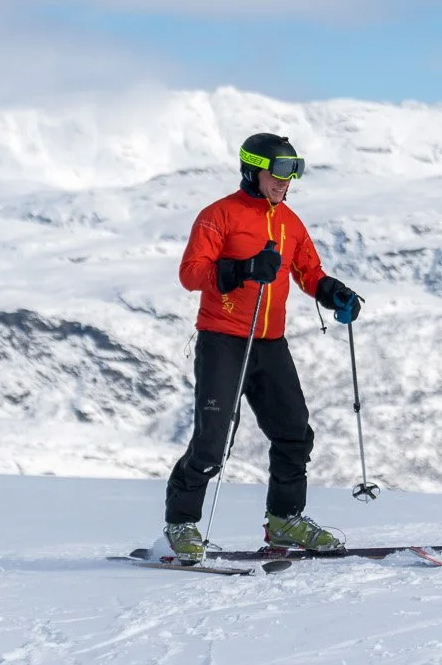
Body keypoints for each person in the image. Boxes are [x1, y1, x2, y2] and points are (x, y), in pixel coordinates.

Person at [153, 132, 365, 564]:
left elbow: (308, 271)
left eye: (295, 171)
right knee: (212, 443)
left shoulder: (290, 222)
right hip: (223, 341)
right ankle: (181, 524)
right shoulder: (219, 216)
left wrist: (333, 292)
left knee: (294, 433)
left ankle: (285, 519)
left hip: (270, 343)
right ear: (253, 170)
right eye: (281, 171)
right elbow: (191, 273)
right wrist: (244, 268)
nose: (287, 181)